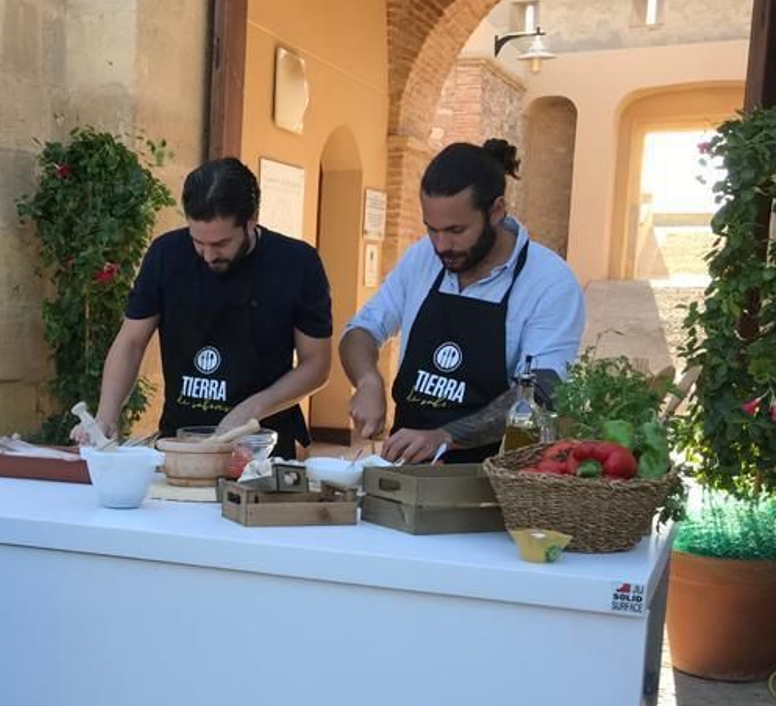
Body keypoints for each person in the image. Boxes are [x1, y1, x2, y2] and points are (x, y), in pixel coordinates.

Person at [340, 139, 585, 464]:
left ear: (496, 211)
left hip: (495, 479)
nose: (442, 246)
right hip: (408, 471)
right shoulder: (421, 259)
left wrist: (447, 437)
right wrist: (367, 379)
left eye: (456, 230)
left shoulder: (549, 281)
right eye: (432, 229)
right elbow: (361, 330)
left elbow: (543, 392)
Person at [73, 157, 332, 458]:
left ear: (251, 220)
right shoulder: (166, 254)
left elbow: (317, 366)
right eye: (197, 241)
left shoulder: (296, 263)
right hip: (179, 441)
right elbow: (131, 341)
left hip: (260, 445)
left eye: (220, 244)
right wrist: (106, 415)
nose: (208, 255)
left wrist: (251, 410)